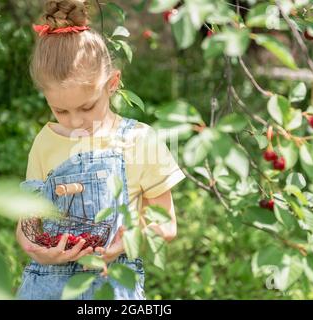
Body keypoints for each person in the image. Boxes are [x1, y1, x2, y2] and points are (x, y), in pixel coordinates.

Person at [16, 0, 186, 300]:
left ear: (112, 83)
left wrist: (128, 241)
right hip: (44, 288)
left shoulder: (139, 139)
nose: (76, 120)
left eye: (87, 106)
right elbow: (27, 224)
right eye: (61, 111)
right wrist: (39, 252)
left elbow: (166, 225)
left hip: (111, 284)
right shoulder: (45, 141)